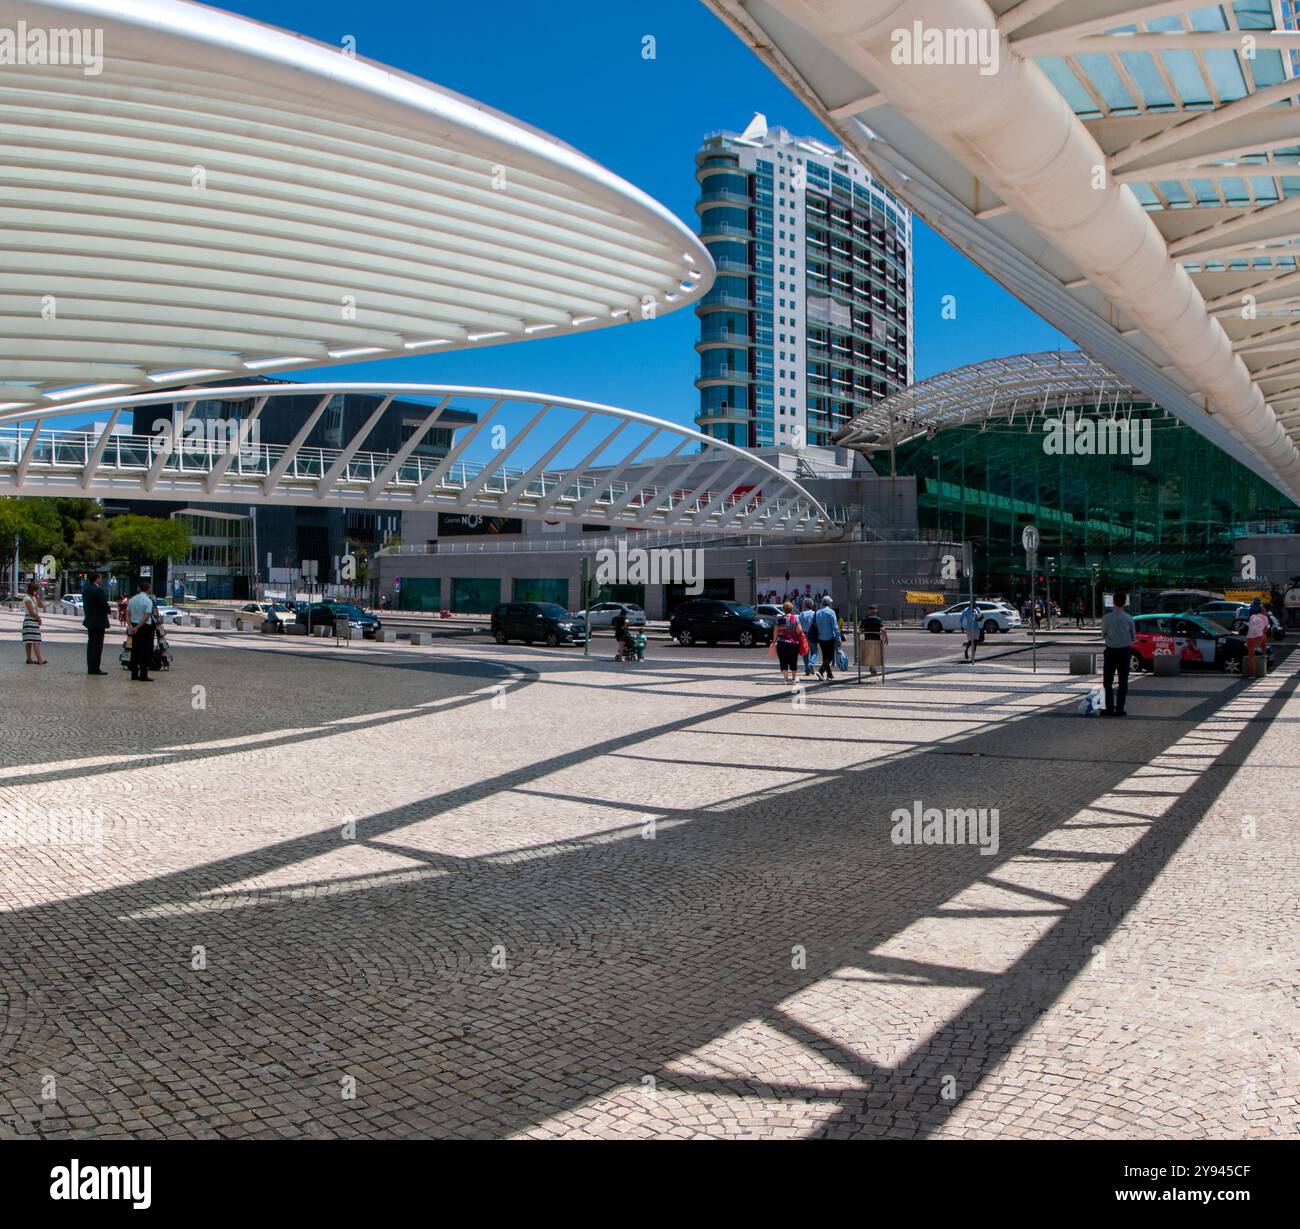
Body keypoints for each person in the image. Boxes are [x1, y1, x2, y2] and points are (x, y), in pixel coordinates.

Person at [1100, 590, 1137, 716]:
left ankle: (1109, 707)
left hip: (1110, 651)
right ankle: (1120, 708)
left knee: (1107, 682)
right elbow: (1133, 637)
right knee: (1123, 681)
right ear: (1124, 603)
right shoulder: (1129, 618)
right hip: (1125, 651)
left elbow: (1103, 634)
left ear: (1113, 601)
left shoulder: (1106, 618)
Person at [126, 579, 158, 682]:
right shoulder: (148, 601)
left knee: (135, 650)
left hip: (134, 625)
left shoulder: (132, 599)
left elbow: (127, 614)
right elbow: (147, 615)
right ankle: (143, 674)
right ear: (148, 589)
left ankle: (134, 673)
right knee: (145, 651)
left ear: (139, 588)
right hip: (145, 628)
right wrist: (138, 627)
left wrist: (131, 626)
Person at [82, 572, 111, 675]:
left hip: (90, 620)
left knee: (91, 644)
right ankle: (95, 667)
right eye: (100, 578)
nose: (101, 580)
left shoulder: (85, 590)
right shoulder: (98, 590)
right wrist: (109, 610)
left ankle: (90, 666)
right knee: (98, 645)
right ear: (97, 579)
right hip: (99, 621)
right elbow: (104, 605)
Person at [772, 600, 803, 685]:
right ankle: (793, 679)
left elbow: (775, 631)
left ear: (783, 609)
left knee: (783, 660)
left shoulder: (779, 619)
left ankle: (785, 679)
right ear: (792, 609)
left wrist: (774, 641)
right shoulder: (795, 619)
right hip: (794, 643)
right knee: (793, 660)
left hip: (782, 643)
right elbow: (799, 630)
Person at [813, 595, 841, 682]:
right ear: (829, 603)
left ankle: (829, 675)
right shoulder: (831, 612)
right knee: (830, 657)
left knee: (825, 656)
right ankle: (821, 671)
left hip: (820, 637)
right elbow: (835, 626)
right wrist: (838, 637)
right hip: (829, 637)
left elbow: (815, 625)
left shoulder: (818, 612)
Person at [859, 603, 888, 676]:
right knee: (876, 654)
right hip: (876, 640)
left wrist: (866, 630)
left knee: (869, 654)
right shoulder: (878, 619)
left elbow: (860, 630)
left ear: (869, 611)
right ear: (875, 611)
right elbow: (883, 629)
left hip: (867, 640)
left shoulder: (864, 619)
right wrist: (886, 637)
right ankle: (873, 668)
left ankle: (872, 668)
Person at [21, 581, 46, 665]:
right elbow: (31, 611)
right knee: (36, 640)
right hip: (30, 621)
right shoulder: (27, 598)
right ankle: (39, 660)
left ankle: (29, 659)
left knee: (29, 641)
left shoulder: (33, 597)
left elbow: (41, 606)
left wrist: (37, 596)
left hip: (31, 621)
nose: (37, 591)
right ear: (32, 590)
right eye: (36, 590)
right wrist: (39, 618)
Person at [1245, 598, 1269, 678]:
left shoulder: (1252, 616)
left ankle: (1252, 674)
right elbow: (1266, 629)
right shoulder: (1265, 618)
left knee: (1251, 656)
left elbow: (1250, 625)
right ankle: (1264, 653)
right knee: (1264, 636)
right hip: (1260, 636)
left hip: (1250, 638)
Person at [797, 597, 817, 677]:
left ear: (804, 605)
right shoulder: (814, 614)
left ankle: (807, 670)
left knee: (805, 652)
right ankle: (811, 664)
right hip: (812, 635)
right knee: (814, 651)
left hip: (803, 635)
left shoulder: (801, 614)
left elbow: (798, 625)